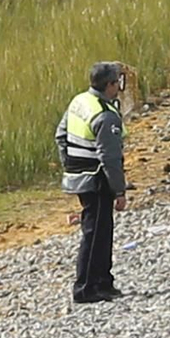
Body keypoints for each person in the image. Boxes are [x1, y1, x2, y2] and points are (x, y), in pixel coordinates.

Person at [57, 61, 127, 305]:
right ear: (109, 85)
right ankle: (86, 287)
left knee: (98, 231)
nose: (119, 86)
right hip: (97, 181)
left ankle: (102, 283)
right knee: (96, 234)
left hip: (80, 177)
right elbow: (110, 158)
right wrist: (119, 190)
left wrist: (71, 164)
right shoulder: (105, 115)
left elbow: (61, 134)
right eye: (117, 81)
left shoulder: (80, 102)